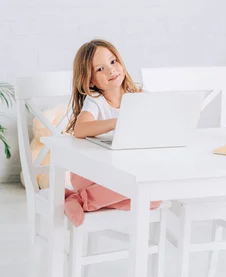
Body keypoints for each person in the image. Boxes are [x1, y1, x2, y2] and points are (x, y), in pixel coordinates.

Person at [64, 39, 160, 226]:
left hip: (120, 174)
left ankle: (82, 199)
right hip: (91, 174)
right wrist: (116, 122)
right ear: (90, 80)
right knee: (139, 191)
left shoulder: (137, 94)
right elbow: (80, 129)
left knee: (154, 198)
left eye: (113, 62)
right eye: (100, 69)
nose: (110, 70)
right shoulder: (96, 100)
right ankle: (82, 200)